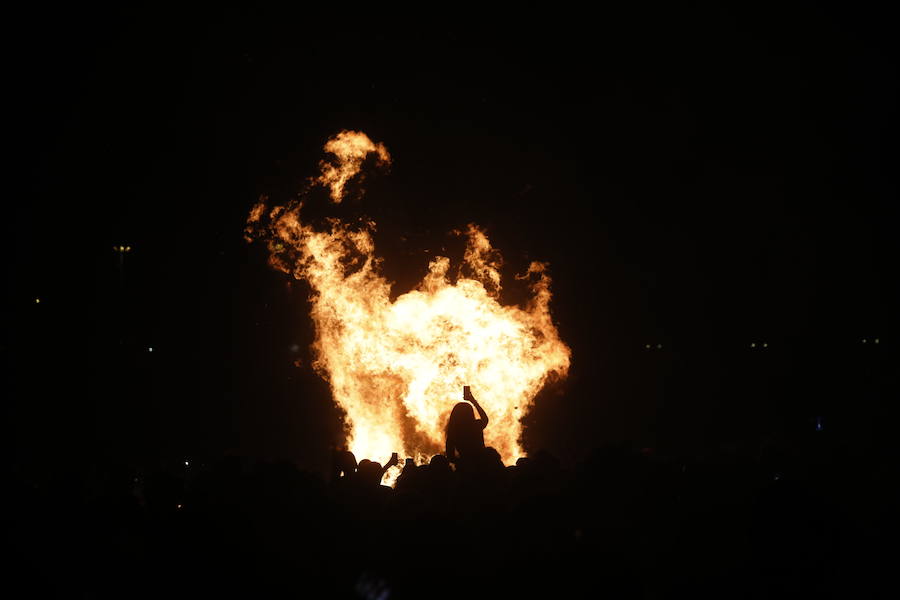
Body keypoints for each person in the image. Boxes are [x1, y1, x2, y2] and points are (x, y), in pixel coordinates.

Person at [445, 386, 489, 468]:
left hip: (464, 468)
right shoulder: (476, 426)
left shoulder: (453, 432)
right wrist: (473, 401)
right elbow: (485, 419)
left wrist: (462, 462)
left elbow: (450, 456)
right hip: (481, 465)